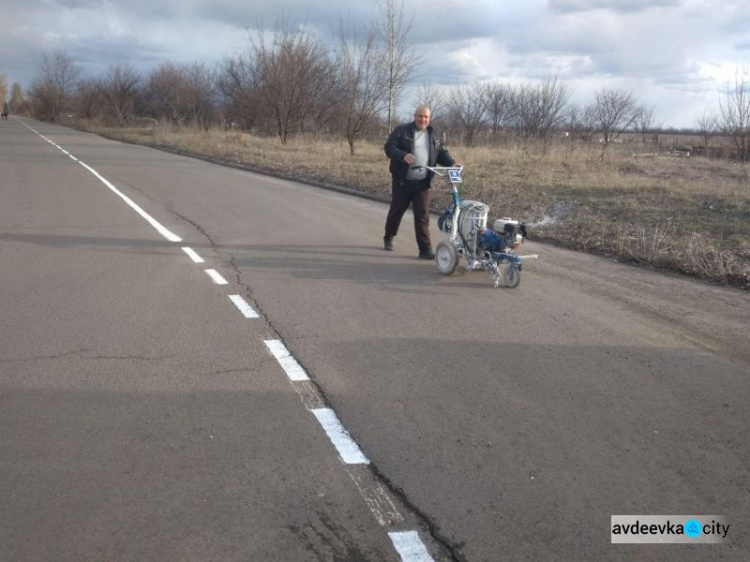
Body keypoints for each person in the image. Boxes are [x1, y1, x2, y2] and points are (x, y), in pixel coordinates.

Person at [383, 105, 457, 259]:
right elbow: (389, 147)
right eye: (420, 116)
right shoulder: (402, 130)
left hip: (422, 183)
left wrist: (452, 164)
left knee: (422, 216)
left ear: (429, 118)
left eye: (426, 117)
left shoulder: (433, 134)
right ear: (414, 116)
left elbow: (441, 153)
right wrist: (402, 155)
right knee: (396, 212)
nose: (423, 119)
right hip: (403, 181)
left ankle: (425, 250)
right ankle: (389, 237)